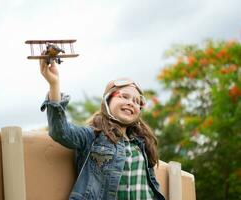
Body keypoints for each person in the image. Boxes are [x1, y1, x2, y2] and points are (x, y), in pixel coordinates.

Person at [39, 58, 165, 200]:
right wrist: (54, 84)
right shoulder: (93, 136)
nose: (131, 103)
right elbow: (60, 132)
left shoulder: (142, 144)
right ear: (108, 101)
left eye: (137, 101)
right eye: (124, 97)